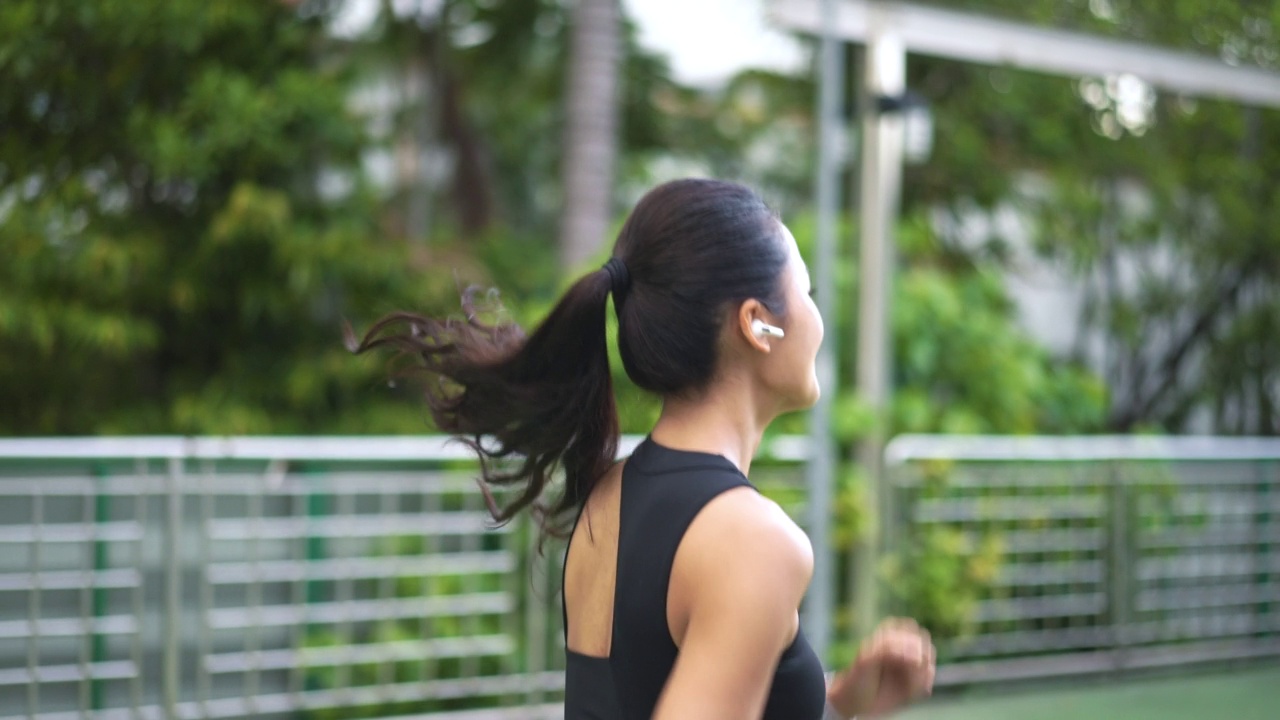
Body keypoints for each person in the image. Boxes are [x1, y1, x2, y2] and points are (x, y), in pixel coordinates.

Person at [350, 178, 936, 719]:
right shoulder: (755, 541)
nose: (818, 317)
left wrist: (838, 704)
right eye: (806, 291)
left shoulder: (610, 492)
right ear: (759, 325)